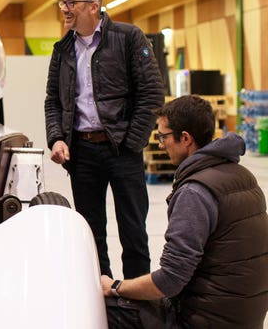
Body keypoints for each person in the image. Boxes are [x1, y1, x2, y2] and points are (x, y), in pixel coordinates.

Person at [101, 95, 268, 328]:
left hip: (204, 320)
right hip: (243, 317)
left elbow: (170, 280)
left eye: (163, 136)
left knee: (104, 308)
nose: (160, 144)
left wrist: (116, 286)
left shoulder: (195, 192)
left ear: (186, 138)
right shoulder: (242, 175)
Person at [44, 0, 164, 279]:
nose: (64, 9)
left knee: (133, 231)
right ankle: (103, 300)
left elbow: (152, 94)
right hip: (82, 154)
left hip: (121, 150)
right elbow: (52, 101)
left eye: (71, 3)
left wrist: (131, 142)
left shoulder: (128, 38)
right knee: (91, 234)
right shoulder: (63, 50)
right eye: (63, 2)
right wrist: (57, 138)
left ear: (93, 6)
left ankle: (137, 305)